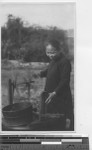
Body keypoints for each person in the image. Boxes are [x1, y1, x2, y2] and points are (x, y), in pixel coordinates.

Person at [39, 39, 73, 130]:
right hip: (51, 96)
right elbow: (50, 70)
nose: (50, 55)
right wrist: (40, 73)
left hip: (60, 96)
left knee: (60, 119)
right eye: (48, 52)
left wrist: (54, 93)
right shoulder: (53, 60)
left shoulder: (64, 62)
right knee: (51, 119)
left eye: (52, 52)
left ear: (59, 50)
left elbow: (65, 81)